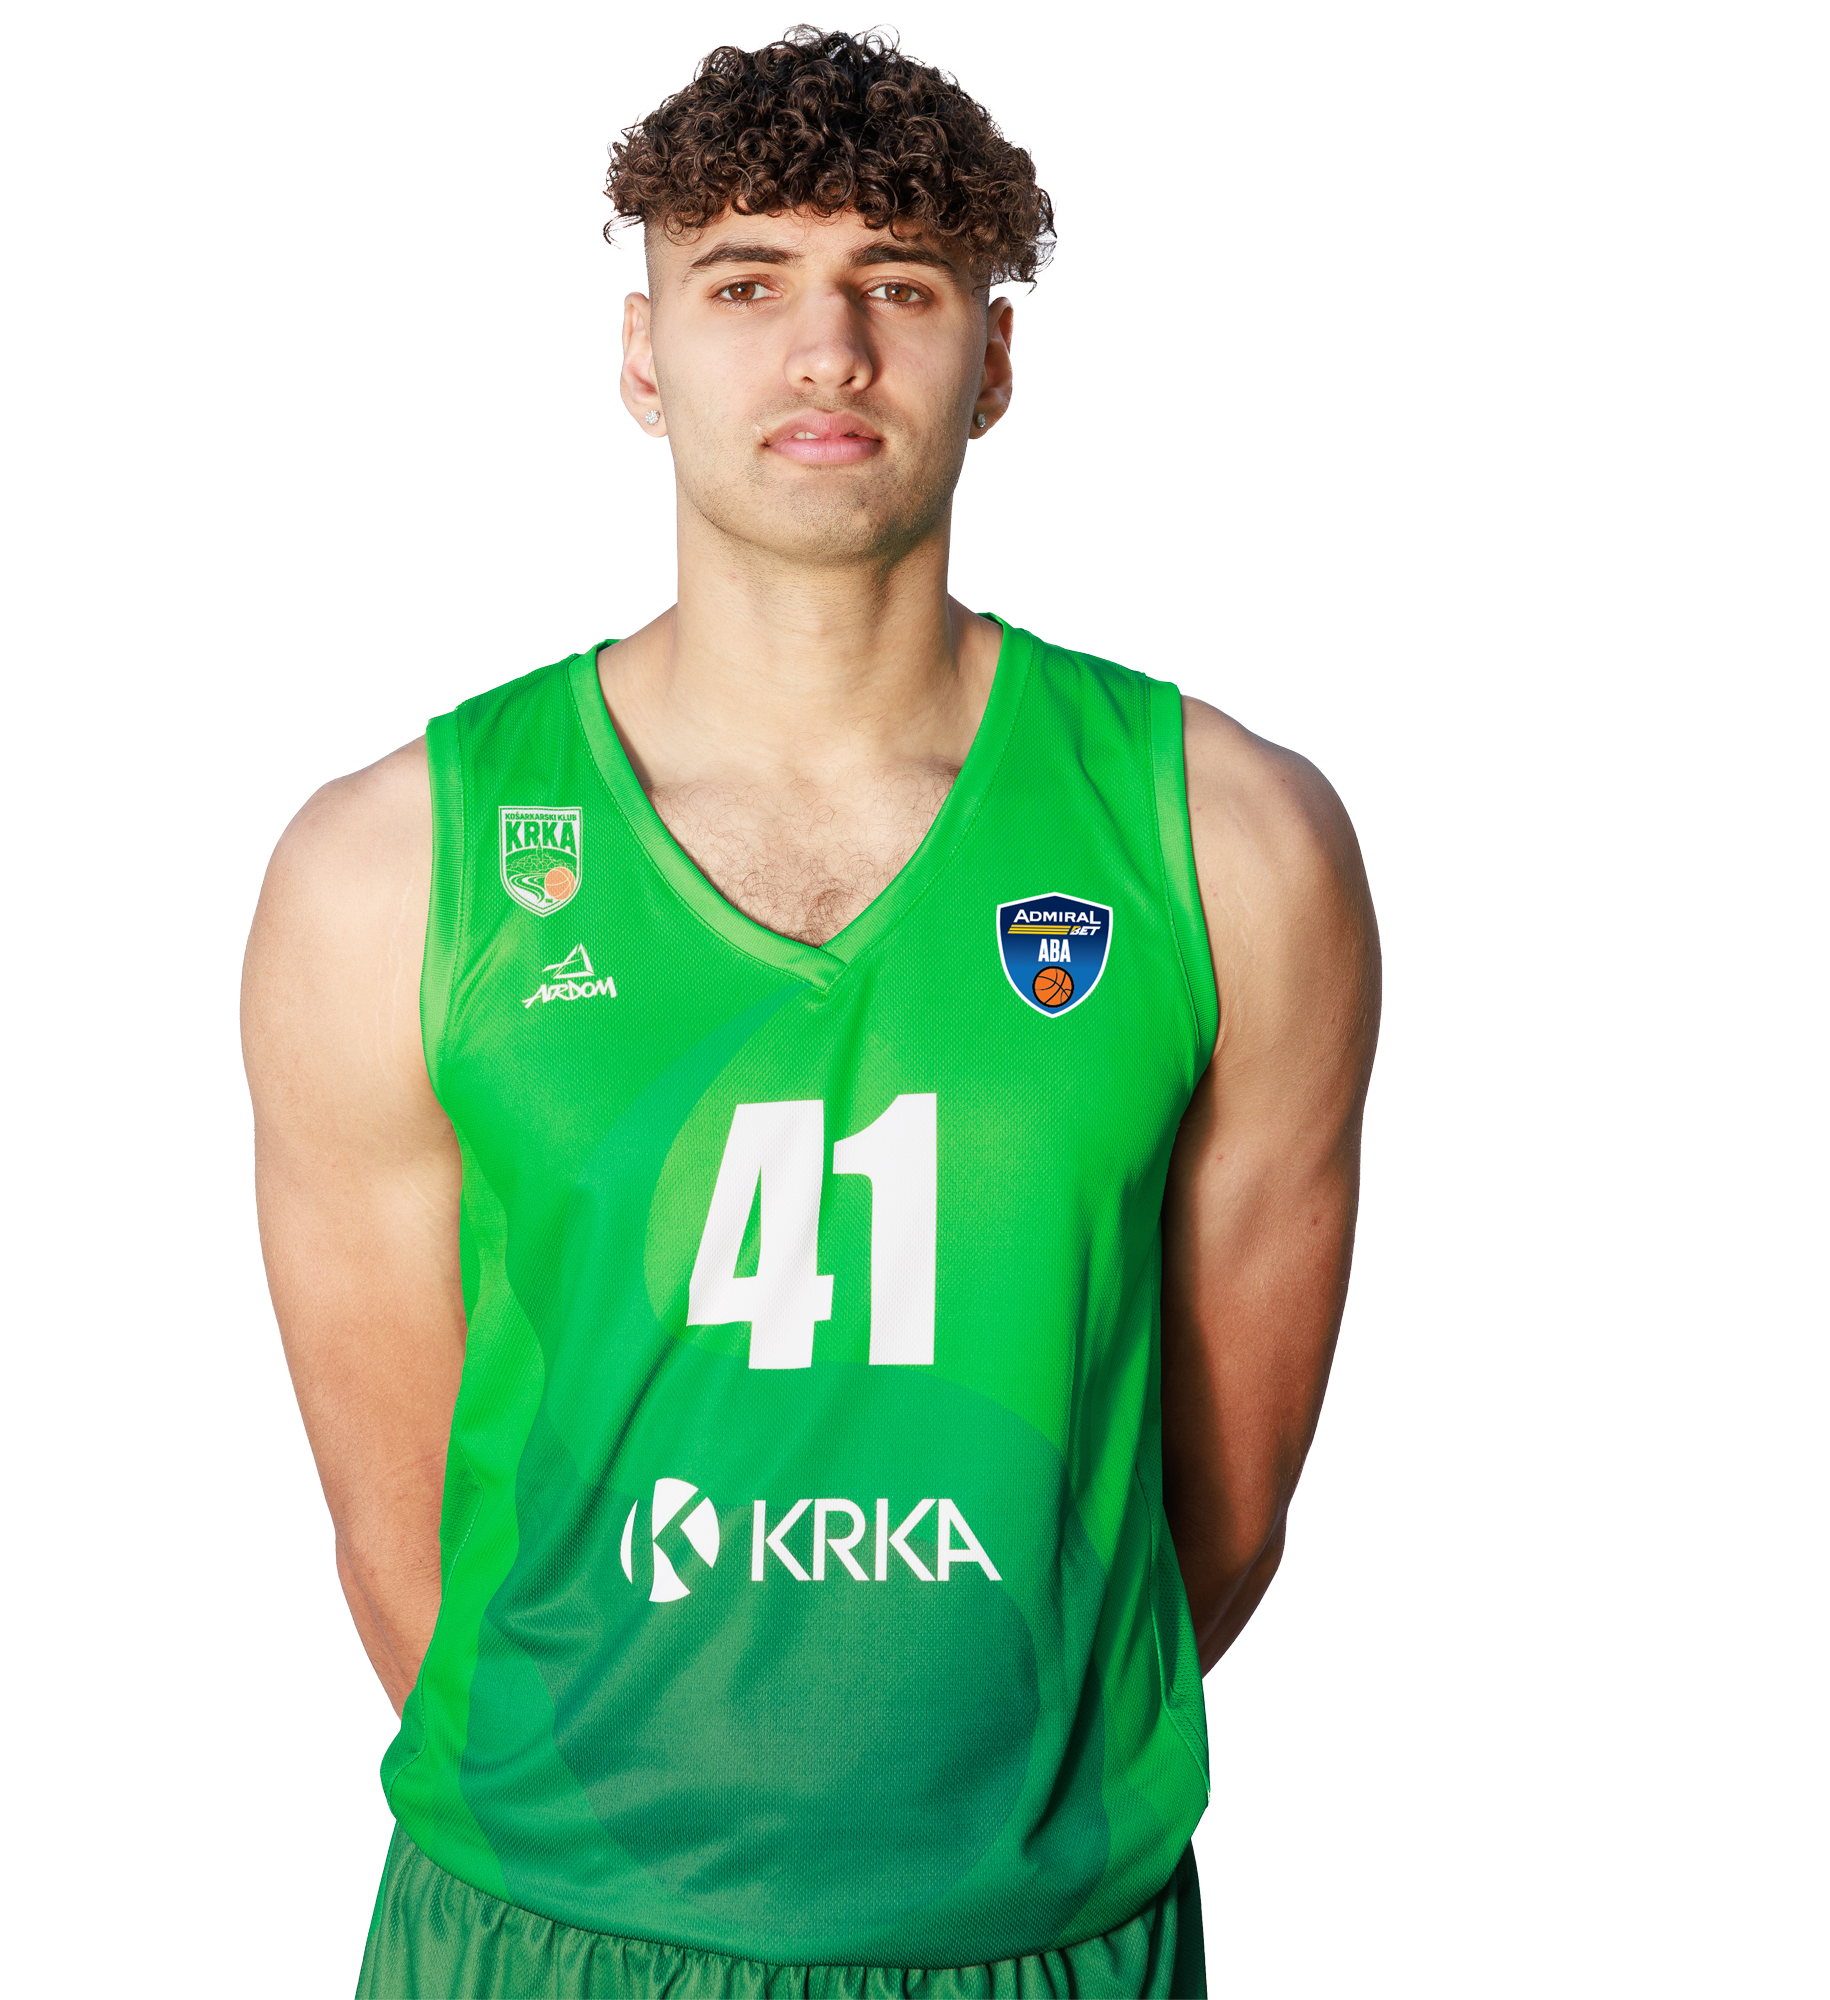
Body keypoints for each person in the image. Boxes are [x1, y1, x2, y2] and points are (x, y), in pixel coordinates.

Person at [242, 23, 1380, 1998]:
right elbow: (401, 1547)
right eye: (747, 283)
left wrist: (944, 1831)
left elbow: (1222, 1507)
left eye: (900, 287)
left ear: (994, 362)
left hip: (1034, 1941)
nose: (827, 352)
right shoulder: (395, 865)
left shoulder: (1229, 843)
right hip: (552, 1931)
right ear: (642, 353)